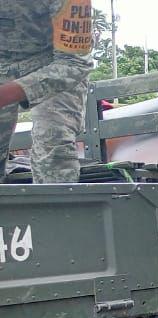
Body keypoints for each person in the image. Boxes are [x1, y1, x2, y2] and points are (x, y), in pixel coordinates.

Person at [0, 0, 94, 184]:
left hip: (54, 63)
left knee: (54, 142)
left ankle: (59, 210)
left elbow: (75, 63)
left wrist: (6, 94)